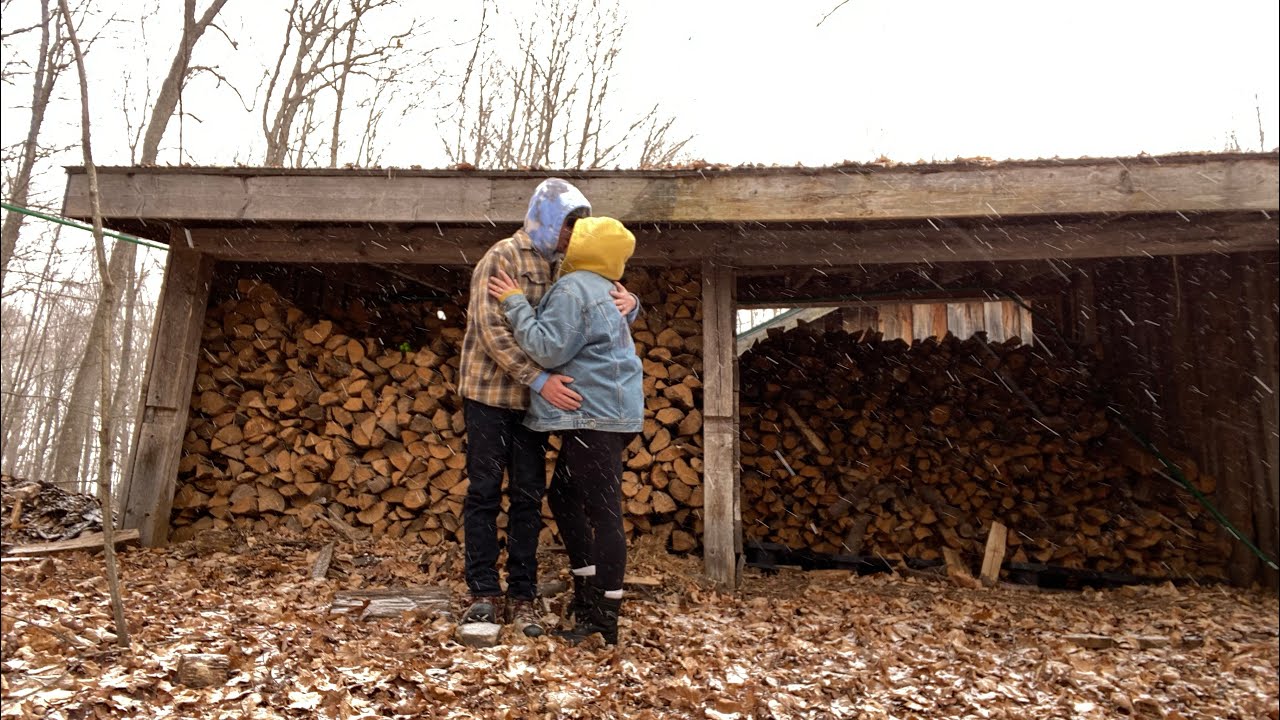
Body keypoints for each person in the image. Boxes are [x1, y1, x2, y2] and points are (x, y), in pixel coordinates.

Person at [457, 179, 637, 638]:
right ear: (548, 218)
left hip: (536, 404)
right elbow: (492, 331)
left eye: (578, 228)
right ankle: (482, 591)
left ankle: (522, 593)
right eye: (568, 225)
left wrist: (632, 304)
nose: (572, 236)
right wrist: (538, 378)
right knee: (483, 491)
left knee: (529, 495)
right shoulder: (501, 257)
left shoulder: (566, 267)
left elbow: (593, 312)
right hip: (491, 394)